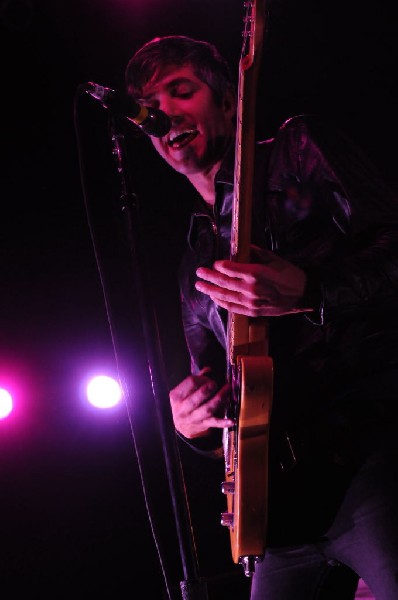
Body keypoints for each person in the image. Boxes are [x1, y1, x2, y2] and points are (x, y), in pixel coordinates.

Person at [124, 35, 398, 599]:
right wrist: (194, 424)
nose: (166, 113)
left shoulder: (298, 150)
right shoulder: (194, 259)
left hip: (370, 461)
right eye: (152, 107)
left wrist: (312, 289)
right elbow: (225, 392)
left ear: (228, 102)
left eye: (182, 91)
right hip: (280, 509)